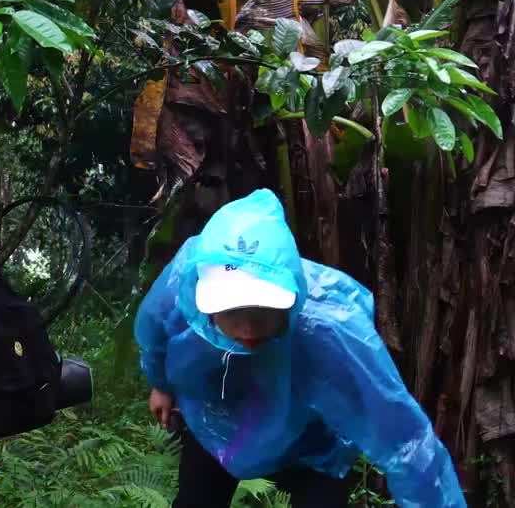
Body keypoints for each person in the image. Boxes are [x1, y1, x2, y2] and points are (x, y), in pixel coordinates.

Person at [135, 188, 466, 508]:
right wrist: (160, 385)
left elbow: (406, 442)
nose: (248, 330)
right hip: (219, 416)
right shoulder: (182, 289)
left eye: (263, 311)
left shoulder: (330, 333)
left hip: (311, 444)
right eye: (234, 311)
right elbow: (154, 332)